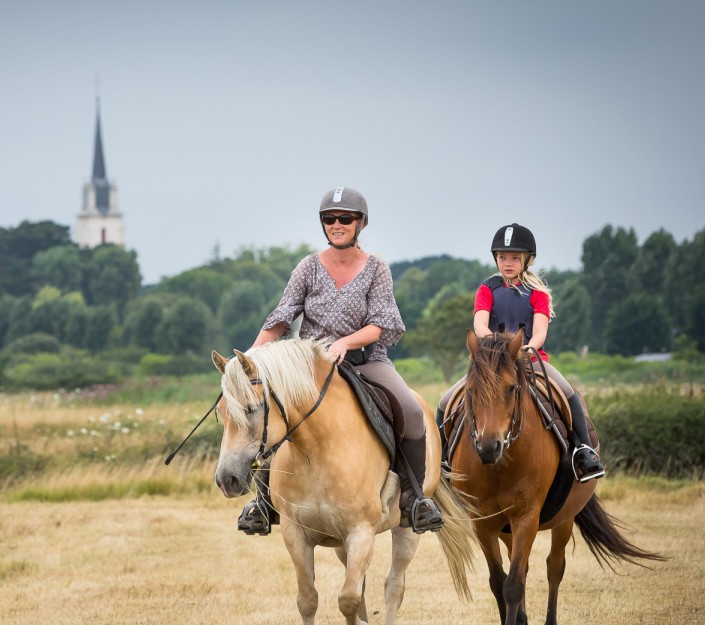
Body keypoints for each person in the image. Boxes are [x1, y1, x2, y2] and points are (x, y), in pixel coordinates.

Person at [236, 186, 444, 536]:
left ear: (360, 223)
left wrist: (345, 342)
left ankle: (414, 499)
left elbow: (380, 324)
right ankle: (263, 502)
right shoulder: (308, 267)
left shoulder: (377, 268)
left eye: (344, 218)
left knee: (409, 410)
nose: (336, 224)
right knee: (272, 411)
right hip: (311, 368)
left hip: (366, 361)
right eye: (329, 219)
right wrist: (251, 357)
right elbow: (282, 317)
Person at [436, 222, 605, 482]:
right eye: (503, 257)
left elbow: (539, 332)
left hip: (530, 360)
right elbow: (479, 324)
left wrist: (527, 347)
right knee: (447, 400)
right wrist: (495, 345)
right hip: (493, 363)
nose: (508, 263)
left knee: (568, 393)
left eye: (515, 258)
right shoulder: (487, 289)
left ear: (527, 260)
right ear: (496, 259)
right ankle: (441, 460)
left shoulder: (537, 292)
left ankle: (584, 451)